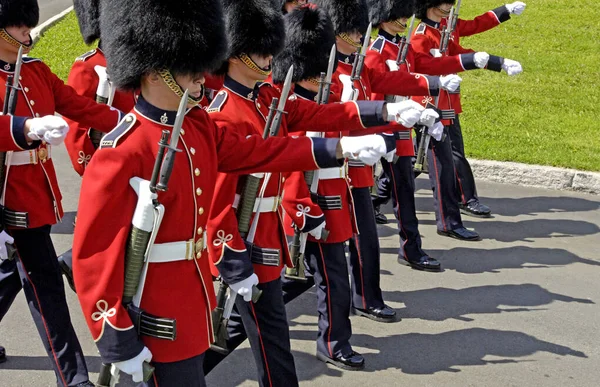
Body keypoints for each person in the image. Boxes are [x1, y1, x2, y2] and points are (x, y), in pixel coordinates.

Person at [72, 0, 390, 385]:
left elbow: (259, 151)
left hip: (192, 304)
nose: (200, 76)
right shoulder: (123, 148)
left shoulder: (196, 126)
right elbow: (93, 255)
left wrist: (337, 148)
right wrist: (116, 339)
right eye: (188, 66)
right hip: (152, 316)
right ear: (153, 71)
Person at [204, 0, 426, 378]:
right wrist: (232, 261)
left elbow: (320, 113)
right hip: (244, 241)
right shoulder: (224, 114)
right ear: (237, 54)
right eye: (261, 49)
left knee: (262, 334)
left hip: (266, 236)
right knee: (243, 334)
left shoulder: (265, 98)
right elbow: (219, 200)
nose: (269, 55)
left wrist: (384, 112)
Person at [0, 0, 123, 385]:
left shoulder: (34, 70)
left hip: (34, 193)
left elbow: (77, 106)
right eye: (18, 25)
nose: (27, 32)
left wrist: (133, 122)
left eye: (27, 24)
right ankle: (73, 379)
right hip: (7, 195)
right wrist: (24, 129)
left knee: (19, 273)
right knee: (45, 284)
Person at [313, 0, 454, 325]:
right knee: (325, 253)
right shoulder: (324, 69)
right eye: (351, 31)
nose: (357, 35)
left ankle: (366, 297)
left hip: (357, 168)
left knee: (366, 238)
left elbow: (387, 84)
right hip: (329, 168)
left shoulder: (356, 66)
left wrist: (429, 88)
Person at [365, 0, 492, 269]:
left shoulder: (402, 46)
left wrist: (471, 62)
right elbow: (376, 92)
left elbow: (422, 69)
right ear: (384, 18)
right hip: (379, 130)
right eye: (398, 16)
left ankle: (411, 249)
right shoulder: (375, 52)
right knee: (362, 189)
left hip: (402, 127)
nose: (403, 21)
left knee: (405, 191)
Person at [411, 0, 522, 240]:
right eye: (444, 6)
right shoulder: (420, 35)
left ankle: (381, 194)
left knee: (435, 158)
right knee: (440, 165)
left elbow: (461, 50)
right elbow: (419, 70)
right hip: (430, 105)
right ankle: (449, 219)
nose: (448, 9)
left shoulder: (444, 28)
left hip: (448, 102)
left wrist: (496, 62)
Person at [442, 1, 526, 217]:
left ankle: (380, 194)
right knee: (427, 154)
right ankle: (466, 198)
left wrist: (504, 11)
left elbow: (474, 26)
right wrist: (495, 61)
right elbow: (444, 59)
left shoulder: (448, 23)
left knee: (440, 151)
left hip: (447, 97)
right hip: (428, 97)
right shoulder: (425, 30)